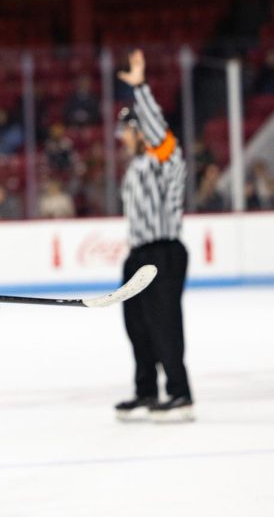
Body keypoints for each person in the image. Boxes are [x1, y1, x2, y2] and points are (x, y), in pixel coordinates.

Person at [114, 49, 194, 422]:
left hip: (163, 253)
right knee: (138, 326)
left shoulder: (166, 159)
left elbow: (158, 129)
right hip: (138, 255)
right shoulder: (135, 169)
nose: (121, 137)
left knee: (164, 324)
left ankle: (180, 393)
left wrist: (141, 88)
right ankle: (147, 390)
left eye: (126, 130)